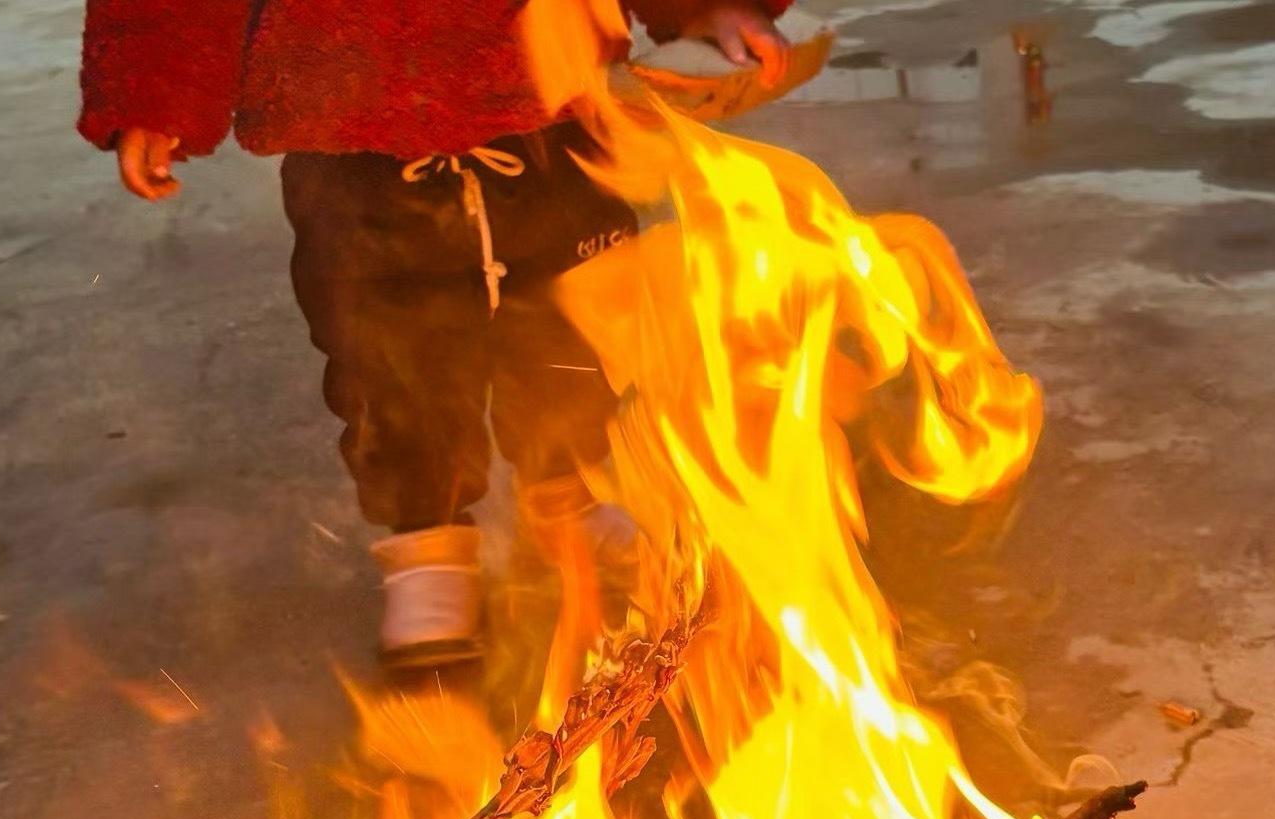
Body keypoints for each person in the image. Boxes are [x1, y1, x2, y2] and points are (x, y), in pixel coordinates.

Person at [78, 0, 791, 669]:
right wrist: (155, 87)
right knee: (386, 350)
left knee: (573, 320)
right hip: (349, 100)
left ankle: (563, 490)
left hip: (545, 85)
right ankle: (426, 540)